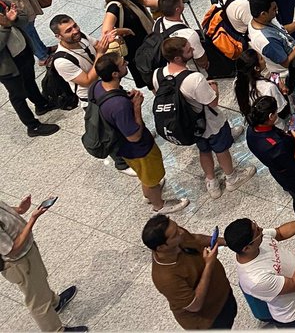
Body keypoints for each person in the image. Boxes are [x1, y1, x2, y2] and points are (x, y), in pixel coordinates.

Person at [154, 36, 257, 198]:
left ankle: (211, 181)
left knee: (204, 150)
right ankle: (232, 178)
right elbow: (213, 102)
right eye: (189, 50)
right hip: (210, 123)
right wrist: (214, 88)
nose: (193, 50)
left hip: (190, 126)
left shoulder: (158, 74)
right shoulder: (194, 79)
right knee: (221, 149)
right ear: (178, 58)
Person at [94, 52, 190, 215]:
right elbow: (134, 136)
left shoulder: (97, 87)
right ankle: (159, 205)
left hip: (124, 148)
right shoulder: (119, 105)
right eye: (122, 63)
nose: (126, 63)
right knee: (151, 177)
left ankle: (149, 193)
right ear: (115, 74)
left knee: (146, 175)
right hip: (138, 150)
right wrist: (137, 105)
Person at [0, 195, 85, 332]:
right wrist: (33, 219)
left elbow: (4, 212)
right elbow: (12, 250)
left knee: (39, 280)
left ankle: (54, 303)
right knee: (37, 301)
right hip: (18, 262)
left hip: (27, 251)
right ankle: (55, 330)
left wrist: (20, 209)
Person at [144, 215, 237, 330]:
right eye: (175, 234)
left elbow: (195, 239)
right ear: (161, 247)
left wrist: (227, 242)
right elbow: (195, 305)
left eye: (177, 227)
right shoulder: (166, 277)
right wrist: (209, 265)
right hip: (209, 320)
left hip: (222, 295)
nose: (181, 232)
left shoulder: (178, 235)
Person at [226, 215, 295, 328]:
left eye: (257, 226)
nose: (261, 230)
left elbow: (279, 232)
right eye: (257, 231)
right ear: (246, 248)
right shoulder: (256, 279)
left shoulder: (257, 239)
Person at [245, 95, 295, 222]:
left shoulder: (252, 130)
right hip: (292, 176)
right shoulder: (272, 146)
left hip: (281, 168)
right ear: (270, 117)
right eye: (275, 111)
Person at [0, 3, 58, 137]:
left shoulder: (1, 2)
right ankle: (32, 126)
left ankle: (42, 104)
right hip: (7, 66)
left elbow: (23, 20)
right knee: (17, 95)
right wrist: (6, 25)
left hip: (22, 51)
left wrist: (15, 18)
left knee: (29, 81)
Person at [100, 0, 158, 90]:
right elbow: (106, 31)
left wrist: (168, 2)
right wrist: (123, 31)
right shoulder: (114, 7)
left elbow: (145, 1)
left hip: (150, 41)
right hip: (137, 49)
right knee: (150, 79)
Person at [247, 0, 295, 75]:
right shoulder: (267, 41)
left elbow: (281, 32)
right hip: (291, 71)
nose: (277, 11)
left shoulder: (261, 20)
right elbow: (286, 62)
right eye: (274, 9)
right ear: (263, 14)